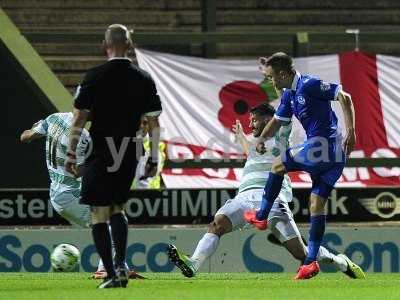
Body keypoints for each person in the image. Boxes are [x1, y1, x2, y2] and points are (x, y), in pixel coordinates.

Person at [167, 103, 364, 279]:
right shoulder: (257, 146)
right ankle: (193, 263)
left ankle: (341, 262)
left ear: (269, 120)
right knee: (217, 224)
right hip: (244, 198)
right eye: (249, 121)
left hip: (272, 198)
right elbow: (250, 151)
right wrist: (240, 137)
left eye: (254, 120)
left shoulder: (279, 135)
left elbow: (282, 116)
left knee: (301, 253)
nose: (250, 124)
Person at [65, 24, 162, 288]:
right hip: (128, 150)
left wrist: (71, 154)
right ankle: (120, 265)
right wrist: (153, 157)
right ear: (129, 45)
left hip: (100, 150)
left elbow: (78, 120)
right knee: (117, 208)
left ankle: (111, 273)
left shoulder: (94, 76)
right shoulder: (143, 78)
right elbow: (154, 124)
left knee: (99, 211)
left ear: (104, 44)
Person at [245, 52, 356, 280]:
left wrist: (352, 132)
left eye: (272, 77)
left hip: (322, 147)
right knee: (316, 205)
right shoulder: (289, 96)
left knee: (277, 166)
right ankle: (310, 262)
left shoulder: (309, 84)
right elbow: (276, 121)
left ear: (284, 74)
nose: (270, 82)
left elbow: (345, 97)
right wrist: (261, 140)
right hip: (335, 158)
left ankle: (262, 215)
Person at [20, 112, 145, 279]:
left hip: (59, 192)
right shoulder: (83, 137)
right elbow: (77, 171)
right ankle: (106, 269)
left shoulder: (54, 118)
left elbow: (25, 136)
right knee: (109, 221)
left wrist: (32, 131)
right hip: (70, 194)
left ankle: (120, 267)